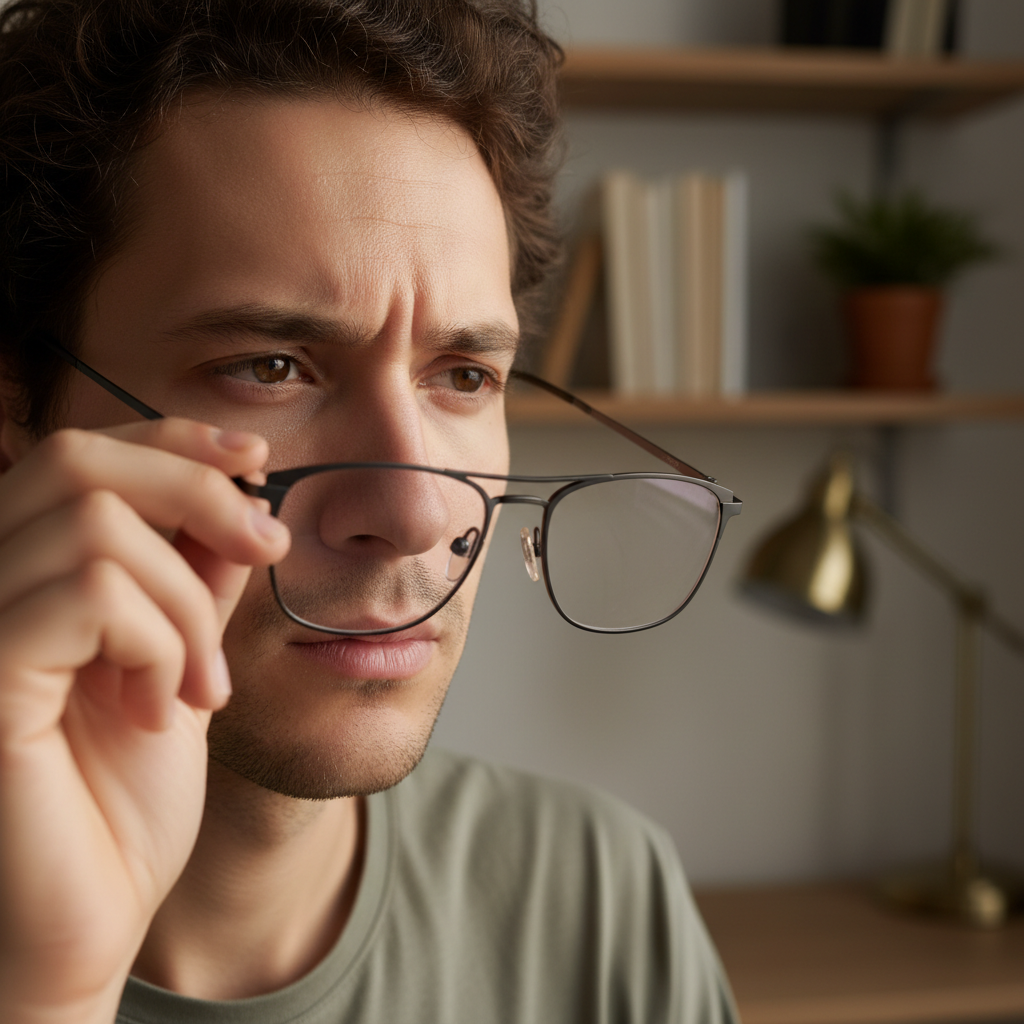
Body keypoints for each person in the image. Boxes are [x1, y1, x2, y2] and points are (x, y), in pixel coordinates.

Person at [0, 1, 741, 1021]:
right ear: (17, 412)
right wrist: (45, 990)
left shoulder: (600, 896)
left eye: (464, 375)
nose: (414, 512)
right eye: (269, 366)